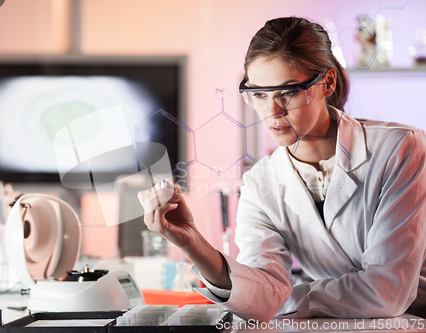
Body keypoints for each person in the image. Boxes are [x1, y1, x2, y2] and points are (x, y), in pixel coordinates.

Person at [137, 16, 426, 321]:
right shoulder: (260, 182)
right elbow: (260, 293)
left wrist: (285, 299)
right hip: (336, 325)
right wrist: (191, 241)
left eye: (287, 92)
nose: (272, 112)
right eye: (259, 94)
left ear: (327, 82)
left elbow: (386, 292)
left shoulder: (399, 149)